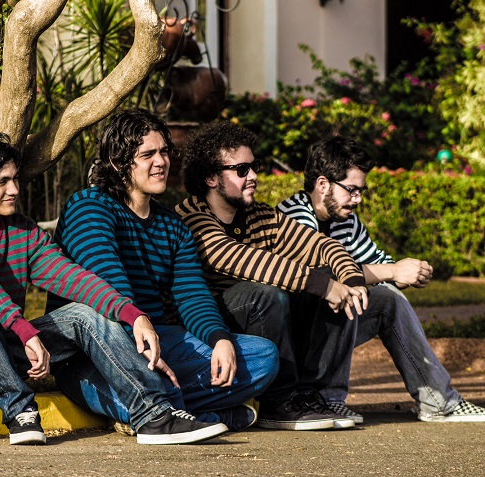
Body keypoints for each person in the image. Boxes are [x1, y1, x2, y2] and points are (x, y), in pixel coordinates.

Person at [0, 131, 229, 445]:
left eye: (15, 179)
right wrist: (24, 329)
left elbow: (74, 278)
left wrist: (133, 315)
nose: (14, 189)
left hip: (5, 359)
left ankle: (154, 415)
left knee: (84, 313)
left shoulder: (22, 231)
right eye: (2, 182)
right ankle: (20, 411)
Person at [48, 109, 279, 432]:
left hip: (157, 339)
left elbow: (193, 297)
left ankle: (169, 406)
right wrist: (139, 334)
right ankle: (203, 415)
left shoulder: (173, 226)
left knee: (263, 356)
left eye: (164, 152)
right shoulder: (89, 206)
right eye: (148, 155)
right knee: (140, 389)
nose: (161, 162)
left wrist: (220, 339)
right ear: (117, 162)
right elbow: (107, 284)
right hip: (92, 354)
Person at [175, 121, 369, 430]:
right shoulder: (190, 217)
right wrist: (321, 284)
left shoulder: (262, 216)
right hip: (206, 326)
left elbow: (320, 245)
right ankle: (277, 402)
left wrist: (350, 279)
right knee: (266, 293)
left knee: (320, 280)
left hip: (255, 320)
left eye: (255, 167)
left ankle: (308, 394)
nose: (253, 176)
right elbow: (238, 258)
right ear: (211, 177)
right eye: (242, 170)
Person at [277, 135, 485, 422]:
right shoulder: (292, 215)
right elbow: (318, 275)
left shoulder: (346, 220)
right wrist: (392, 271)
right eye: (351, 190)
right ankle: (326, 398)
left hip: (322, 332)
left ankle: (439, 402)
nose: (358, 199)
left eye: (361, 190)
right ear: (323, 184)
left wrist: (408, 273)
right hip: (291, 338)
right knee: (345, 291)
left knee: (388, 298)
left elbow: (378, 264)